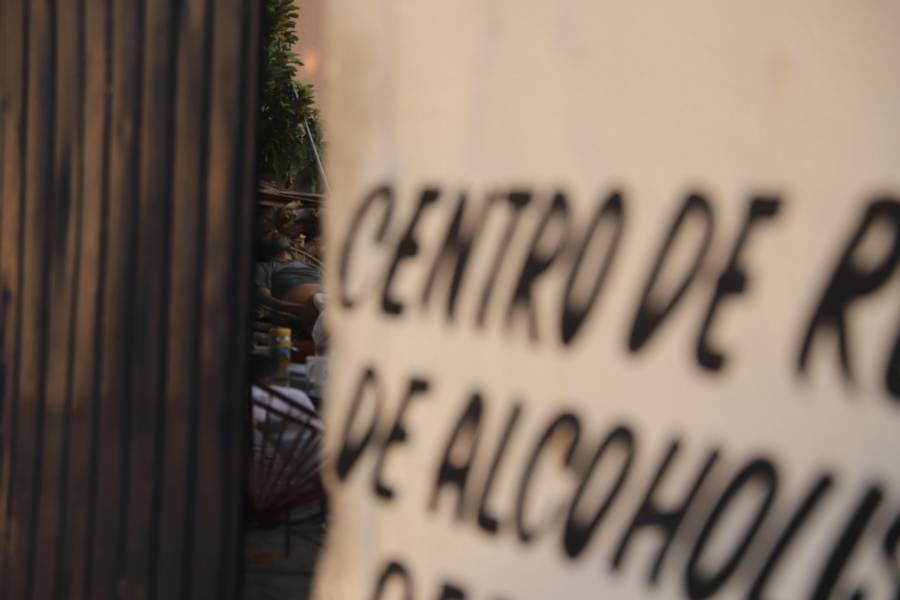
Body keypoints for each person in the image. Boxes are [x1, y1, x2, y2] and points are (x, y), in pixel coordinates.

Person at [255, 235, 323, 336]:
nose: (275, 232)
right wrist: (298, 308)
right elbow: (265, 299)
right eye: (270, 236)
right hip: (312, 305)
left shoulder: (307, 264)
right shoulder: (265, 266)